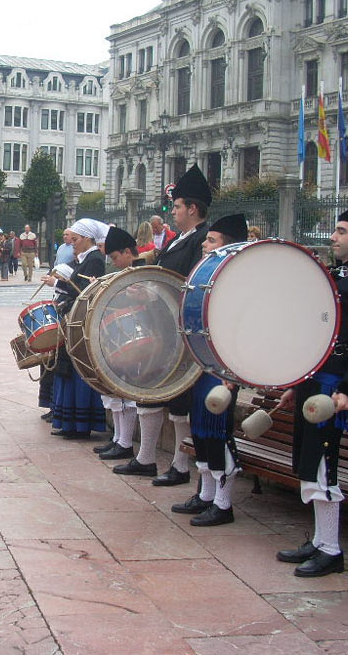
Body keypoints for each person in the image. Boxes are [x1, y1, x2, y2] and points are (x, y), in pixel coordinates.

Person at [275, 196, 348, 577]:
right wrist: (298, 383)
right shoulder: (333, 275)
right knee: (307, 464)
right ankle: (319, 539)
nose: (334, 236)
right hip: (314, 384)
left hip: (334, 390)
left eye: (342, 231)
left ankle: (331, 549)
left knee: (323, 465)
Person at [115, 165, 211, 484]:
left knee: (179, 403)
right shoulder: (178, 240)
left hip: (181, 331)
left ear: (192, 208)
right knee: (150, 392)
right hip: (162, 328)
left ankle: (181, 466)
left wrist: (154, 295)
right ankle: (145, 459)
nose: (172, 212)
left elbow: (190, 285)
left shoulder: (201, 241)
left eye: (177, 206)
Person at [170, 214, 248, 527]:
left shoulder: (238, 283)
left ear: (228, 247)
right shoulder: (207, 276)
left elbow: (241, 333)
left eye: (211, 240)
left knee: (218, 435)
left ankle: (223, 504)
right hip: (202, 368)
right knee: (201, 432)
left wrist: (231, 377)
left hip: (222, 373)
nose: (204, 244)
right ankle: (206, 495)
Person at [42, 218, 108, 438]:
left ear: (88, 239)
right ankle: (67, 422)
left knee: (78, 370)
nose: (73, 243)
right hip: (73, 318)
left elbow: (87, 291)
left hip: (82, 322)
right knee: (67, 369)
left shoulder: (95, 259)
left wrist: (59, 284)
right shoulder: (83, 259)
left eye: (77, 239)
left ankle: (79, 425)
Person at [94, 225, 142, 458]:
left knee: (127, 392)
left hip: (137, 339)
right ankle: (118, 439)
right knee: (116, 391)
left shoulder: (142, 271)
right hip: (122, 337)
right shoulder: (123, 272)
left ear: (127, 252)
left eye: (115, 257)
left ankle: (125, 443)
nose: (114, 262)